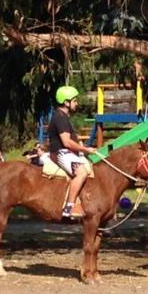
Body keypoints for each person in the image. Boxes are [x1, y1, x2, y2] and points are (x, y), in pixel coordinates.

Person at [48, 85, 95, 219]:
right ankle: (69, 207)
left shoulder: (64, 116)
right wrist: (86, 149)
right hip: (60, 153)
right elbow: (67, 142)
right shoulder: (60, 118)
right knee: (81, 172)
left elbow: (74, 139)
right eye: (74, 100)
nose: (77, 103)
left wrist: (83, 150)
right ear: (66, 102)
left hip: (68, 153)